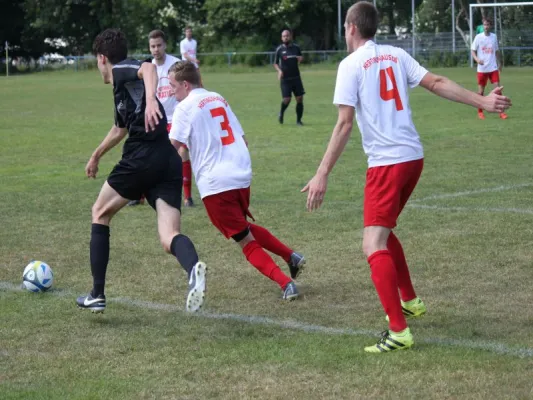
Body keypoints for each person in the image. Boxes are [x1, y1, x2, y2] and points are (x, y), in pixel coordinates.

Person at [302, 2, 511, 353]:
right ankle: (410, 301)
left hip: (387, 163)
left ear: (351, 27)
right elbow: (438, 82)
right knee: (383, 231)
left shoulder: (350, 64)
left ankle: (399, 332)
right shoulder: (396, 54)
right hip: (413, 158)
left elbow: (344, 124)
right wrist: (482, 101)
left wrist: (322, 173)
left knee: (372, 244)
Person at [76, 29, 207, 314]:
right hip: (167, 158)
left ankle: (96, 294)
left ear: (102, 58)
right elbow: (119, 128)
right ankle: (193, 268)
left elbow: (148, 68)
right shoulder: (122, 90)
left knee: (100, 213)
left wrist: (150, 101)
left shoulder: (123, 67)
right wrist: (96, 155)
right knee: (169, 235)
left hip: (142, 156)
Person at [167, 60, 306, 300]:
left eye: (173, 86)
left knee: (244, 241)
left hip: (216, 183)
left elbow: (171, 149)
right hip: (241, 174)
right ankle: (291, 256)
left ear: (186, 85)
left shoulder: (184, 108)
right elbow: (244, 139)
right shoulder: (217, 97)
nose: (171, 91)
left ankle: (286, 284)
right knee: (243, 228)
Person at [471, 18, 507, 120]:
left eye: (487, 25)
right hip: (482, 69)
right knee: (481, 92)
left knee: (498, 90)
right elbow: (472, 50)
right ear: (483, 26)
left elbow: (496, 51)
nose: (486, 27)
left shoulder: (494, 37)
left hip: (493, 68)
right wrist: (477, 60)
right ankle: (480, 112)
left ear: (490, 25)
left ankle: (501, 112)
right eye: (484, 25)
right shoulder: (478, 37)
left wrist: (500, 63)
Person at [273, 29, 305, 126]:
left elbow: (300, 58)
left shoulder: (296, 48)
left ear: (290, 36)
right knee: (287, 99)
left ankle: (298, 121)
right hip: (285, 79)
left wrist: (301, 59)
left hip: (296, 77)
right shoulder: (279, 49)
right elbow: (275, 63)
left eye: (287, 35)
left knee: (299, 98)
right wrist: (279, 71)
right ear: (282, 38)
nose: (286, 37)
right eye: (284, 36)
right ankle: (281, 113)